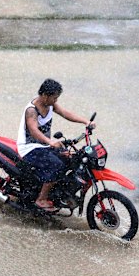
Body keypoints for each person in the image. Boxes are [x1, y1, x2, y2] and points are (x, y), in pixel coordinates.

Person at [17, 78, 96, 211]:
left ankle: (59, 193)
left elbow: (66, 113)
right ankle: (41, 199)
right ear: (44, 95)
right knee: (56, 165)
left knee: (70, 157)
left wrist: (85, 121)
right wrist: (50, 141)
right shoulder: (32, 110)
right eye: (54, 98)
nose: (56, 101)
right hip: (30, 148)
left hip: (44, 146)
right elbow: (34, 130)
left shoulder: (50, 104)